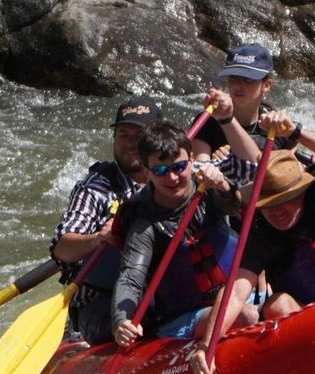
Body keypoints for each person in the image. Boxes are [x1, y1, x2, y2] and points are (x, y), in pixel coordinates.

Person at [189, 115, 315, 374]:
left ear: (300, 193)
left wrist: (297, 131)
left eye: (285, 201)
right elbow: (235, 293)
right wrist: (206, 347)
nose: (277, 212)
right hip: (312, 321)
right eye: (268, 205)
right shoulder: (260, 234)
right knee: (277, 306)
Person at [111, 119, 260, 347]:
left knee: (277, 304)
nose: (172, 177)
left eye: (179, 167)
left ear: (191, 160)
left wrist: (223, 186)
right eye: (161, 170)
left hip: (240, 295)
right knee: (247, 316)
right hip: (185, 318)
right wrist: (122, 321)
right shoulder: (144, 223)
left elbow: (237, 206)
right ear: (146, 170)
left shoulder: (208, 187)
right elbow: (131, 277)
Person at [50, 95, 160, 344]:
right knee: (149, 316)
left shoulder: (172, 178)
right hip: (100, 303)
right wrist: (98, 238)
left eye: (139, 136)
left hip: (157, 293)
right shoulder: (96, 187)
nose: (130, 143)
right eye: (123, 135)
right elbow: (62, 248)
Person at [192, 43, 279, 162]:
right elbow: (199, 168)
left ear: (267, 85)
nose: (238, 85)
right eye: (233, 78)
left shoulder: (275, 125)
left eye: (248, 79)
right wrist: (216, 165)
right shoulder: (207, 122)